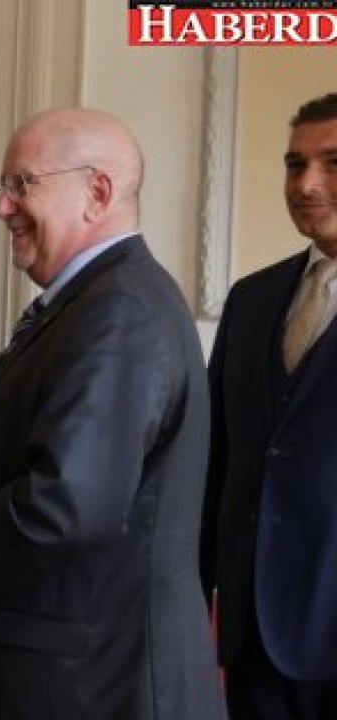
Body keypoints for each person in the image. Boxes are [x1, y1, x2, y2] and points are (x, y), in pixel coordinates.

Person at [0, 108, 225, 720]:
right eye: (2, 186)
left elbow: (64, 509)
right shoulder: (89, 303)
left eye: (20, 184)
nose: (0, 207)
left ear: (96, 192)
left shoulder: (119, 312)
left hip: (90, 686)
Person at [203, 92, 337, 720]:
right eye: (294, 163)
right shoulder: (251, 298)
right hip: (252, 633)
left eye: (333, 163)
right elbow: (216, 459)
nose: (306, 184)